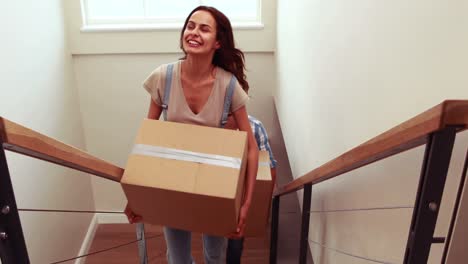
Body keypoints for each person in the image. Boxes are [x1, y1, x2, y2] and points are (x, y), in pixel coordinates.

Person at [124, 6, 259, 264]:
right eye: (190, 26)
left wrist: (245, 204)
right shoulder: (164, 77)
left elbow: (251, 148)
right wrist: (136, 196)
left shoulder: (229, 85)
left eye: (204, 28)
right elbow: (146, 140)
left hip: (215, 185)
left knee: (215, 255)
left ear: (217, 42)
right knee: (177, 258)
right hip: (173, 182)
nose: (194, 32)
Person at [224, 114, 277, 264]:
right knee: (213, 245)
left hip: (241, 195)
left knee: (235, 243)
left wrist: (264, 208)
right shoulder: (212, 121)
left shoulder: (255, 127)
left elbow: (270, 166)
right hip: (218, 191)